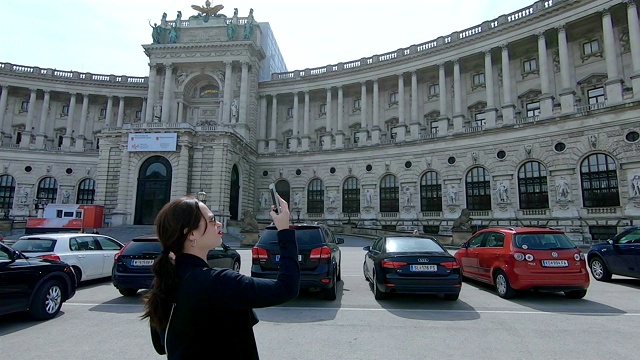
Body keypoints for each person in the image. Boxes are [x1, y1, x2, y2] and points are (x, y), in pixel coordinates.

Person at [142, 194, 299, 359]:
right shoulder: (217, 282)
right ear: (190, 234)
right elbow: (287, 288)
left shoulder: (166, 281)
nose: (218, 223)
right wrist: (284, 230)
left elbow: (161, 345)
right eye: (211, 220)